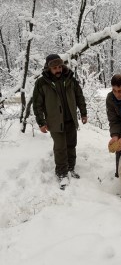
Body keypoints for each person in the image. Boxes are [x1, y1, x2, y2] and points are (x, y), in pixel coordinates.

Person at [33, 54, 87, 189]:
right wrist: (41, 122)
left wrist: (83, 113)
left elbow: (79, 96)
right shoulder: (42, 83)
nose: (58, 70)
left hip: (70, 119)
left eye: (59, 67)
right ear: (48, 68)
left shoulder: (70, 78)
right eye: (54, 68)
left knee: (71, 145)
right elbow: (37, 104)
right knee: (60, 147)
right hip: (55, 121)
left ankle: (70, 167)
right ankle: (61, 173)